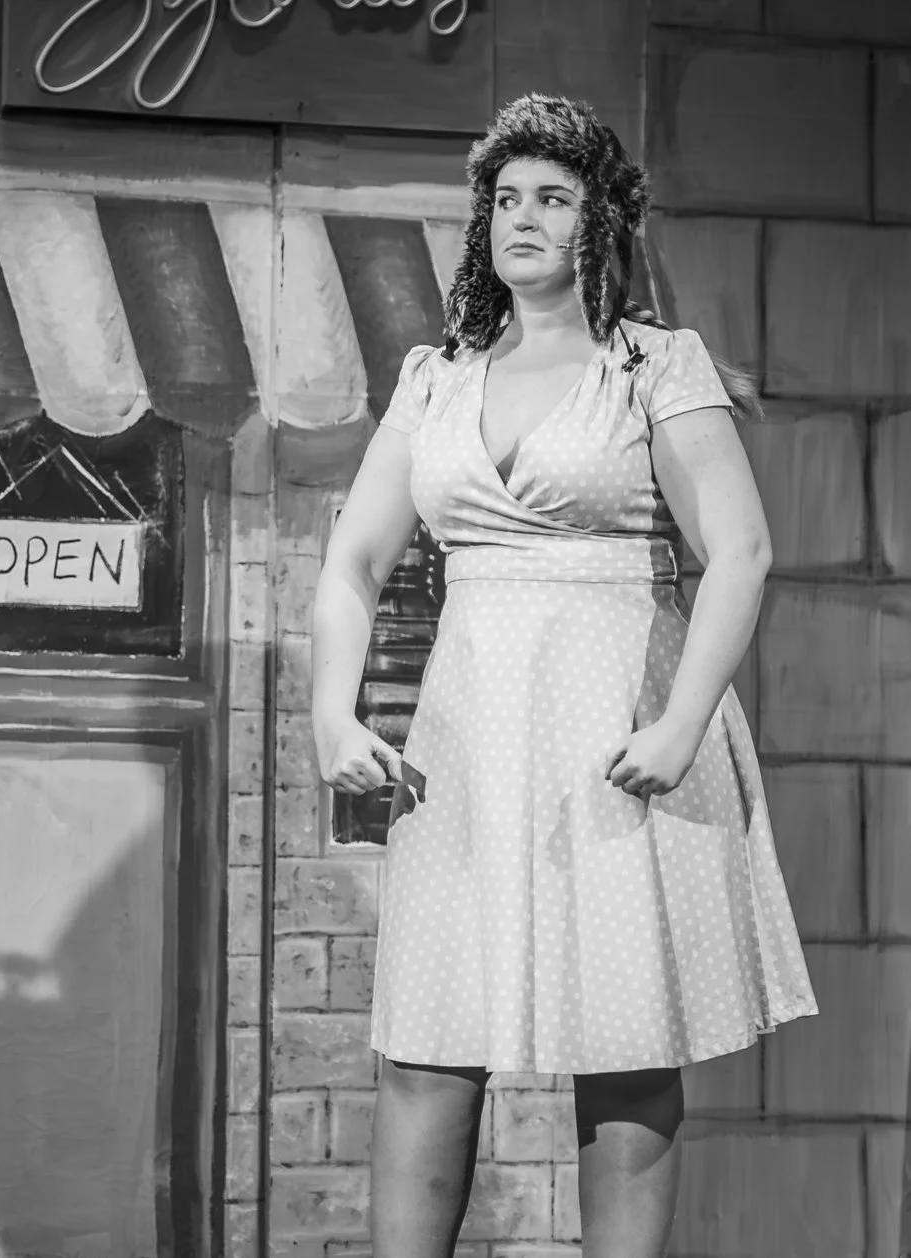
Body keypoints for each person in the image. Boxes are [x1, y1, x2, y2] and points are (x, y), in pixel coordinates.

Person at [310, 94, 815, 1256]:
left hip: (616, 729)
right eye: (506, 198)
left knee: (626, 1052)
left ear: (603, 221)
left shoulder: (653, 365)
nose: (523, 218)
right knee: (428, 1040)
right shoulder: (436, 376)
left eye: (553, 197)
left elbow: (740, 551)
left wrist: (681, 725)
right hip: (470, 737)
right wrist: (332, 713)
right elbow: (354, 559)